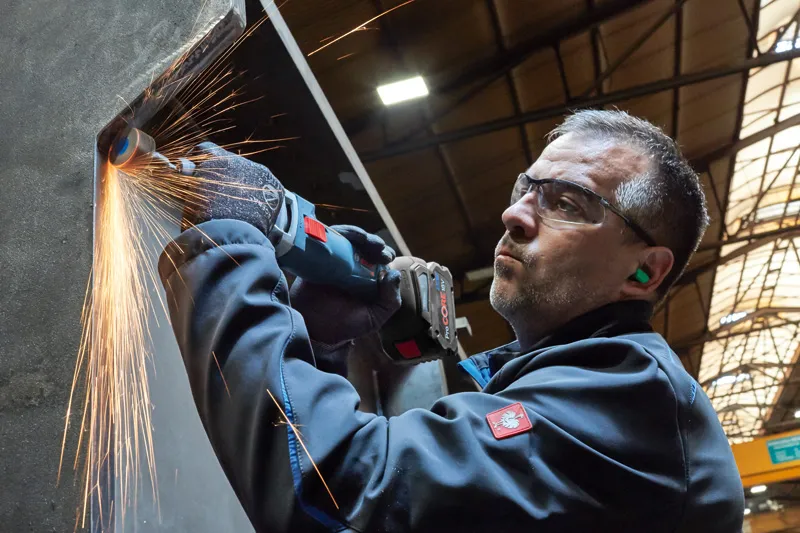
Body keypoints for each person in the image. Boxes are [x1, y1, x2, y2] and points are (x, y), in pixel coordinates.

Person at [158, 109, 744, 532]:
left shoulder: (627, 397)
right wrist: (327, 342)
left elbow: (351, 494)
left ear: (645, 273)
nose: (514, 214)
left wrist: (229, 254)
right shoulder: (544, 381)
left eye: (566, 203)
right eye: (527, 189)